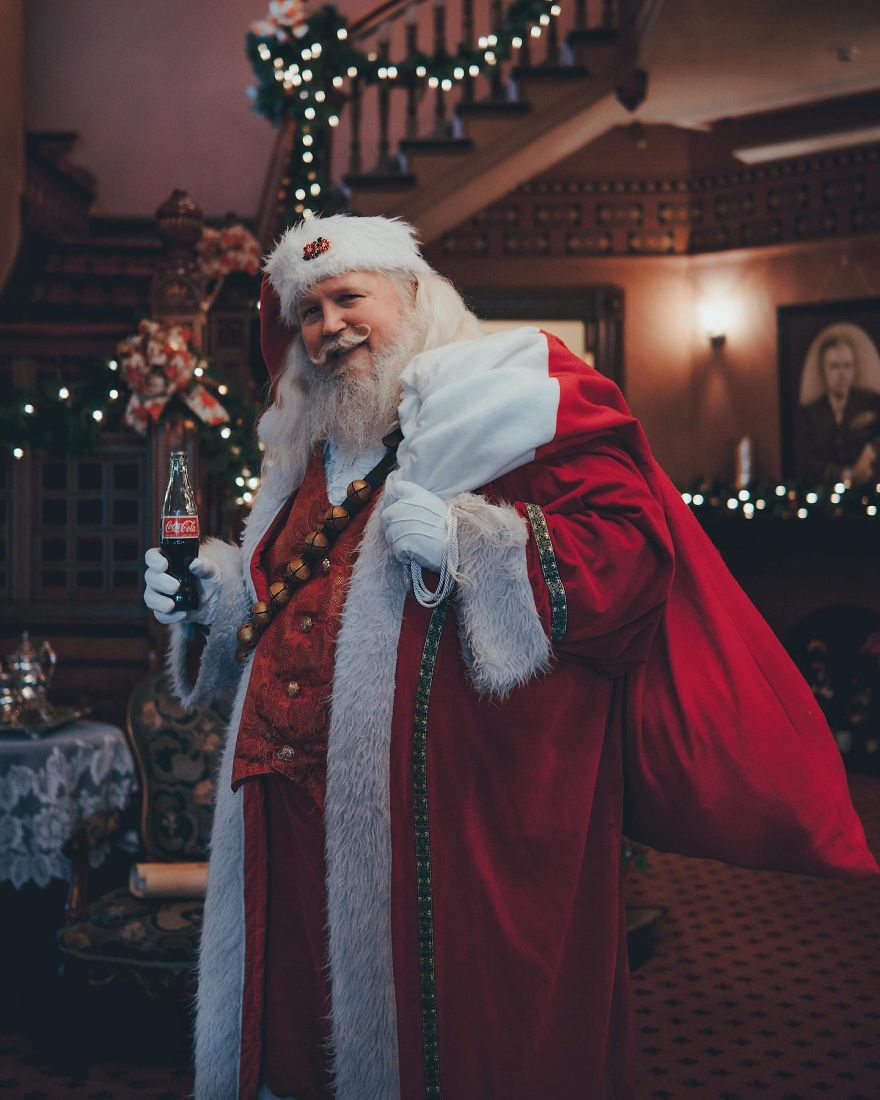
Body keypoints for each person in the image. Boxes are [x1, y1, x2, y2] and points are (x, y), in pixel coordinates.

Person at [144, 214, 878, 1100]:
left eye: (348, 298)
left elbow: (631, 554)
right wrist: (216, 602)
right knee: (294, 1046)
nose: (327, 327)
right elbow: (294, 600)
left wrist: (475, 543)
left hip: (443, 832)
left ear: (410, 296)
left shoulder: (504, 402)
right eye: (308, 311)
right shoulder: (308, 451)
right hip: (283, 825)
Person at [798, 333, 880, 485]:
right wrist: (845, 475)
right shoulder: (811, 412)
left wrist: (872, 451)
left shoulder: (872, 402)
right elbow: (805, 458)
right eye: (834, 366)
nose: (842, 374)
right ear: (824, 370)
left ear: (854, 369)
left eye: (847, 366)